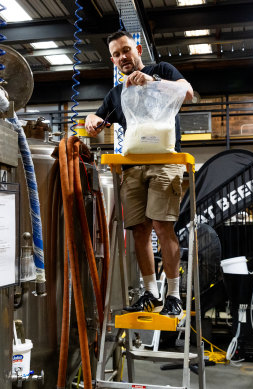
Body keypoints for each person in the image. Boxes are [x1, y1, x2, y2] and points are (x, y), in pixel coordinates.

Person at [85, 31, 194, 317]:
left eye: (126, 50)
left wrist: (152, 81)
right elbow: (97, 119)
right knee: (139, 230)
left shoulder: (162, 71)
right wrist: (92, 120)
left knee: (162, 226)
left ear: (138, 50)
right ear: (113, 60)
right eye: (117, 54)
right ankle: (150, 293)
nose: (123, 57)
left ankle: (173, 294)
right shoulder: (116, 94)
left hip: (165, 161)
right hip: (132, 168)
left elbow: (188, 92)